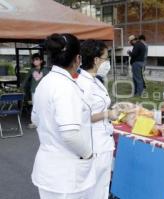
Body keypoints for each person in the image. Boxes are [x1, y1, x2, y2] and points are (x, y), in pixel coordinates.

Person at [31, 33, 95, 199]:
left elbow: (35, 119)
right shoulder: (65, 87)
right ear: (78, 59)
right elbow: (70, 134)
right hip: (66, 175)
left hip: (48, 169)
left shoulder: (45, 82)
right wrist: (89, 154)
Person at [77, 39, 121, 199]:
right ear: (96, 60)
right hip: (93, 144)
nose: (108, 62)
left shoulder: (96, 80)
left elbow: (100, 106)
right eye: (106, 58)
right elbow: (80, 116)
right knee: (93, 190)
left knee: (102, 187)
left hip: (103, 140)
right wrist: (107, 114)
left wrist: (112, 111)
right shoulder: (81, 83)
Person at [22, 53, 49, 128]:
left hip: (44, 91)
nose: (35, 61)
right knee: (35, 106)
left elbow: (50, 80)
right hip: (33, 91)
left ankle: (44, 122)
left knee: (44, 106)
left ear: (41, 61)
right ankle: (34, 122)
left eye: (37, 59)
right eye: (34, 60)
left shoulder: (46, 70)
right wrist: (21, 88)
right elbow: (26, 80)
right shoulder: (31, 70)